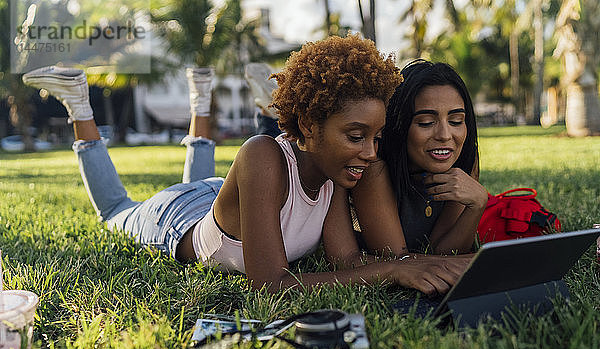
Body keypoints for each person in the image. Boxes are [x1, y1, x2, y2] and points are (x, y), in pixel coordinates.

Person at [23, 35, 469, 295]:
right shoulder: (263, 155)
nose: (372, 153)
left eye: (375, 137)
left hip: (220, 197)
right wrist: (393, 268)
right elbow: (270, 284)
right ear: (309, 128)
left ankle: (201, 95)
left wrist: (416, 264)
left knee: (203, 184)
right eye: (356, 136)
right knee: (115, 211)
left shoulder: (335, 175)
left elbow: (347, 261)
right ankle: (81, 106)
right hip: (175, 218)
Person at [352, 60, 488, 257]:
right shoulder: (375, 170)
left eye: (456, 121)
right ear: (400, 126)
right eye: (426, 122)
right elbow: (399, 260)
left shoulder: (465, 161)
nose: (444, 135)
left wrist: (477, 205)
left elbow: (442, 253)